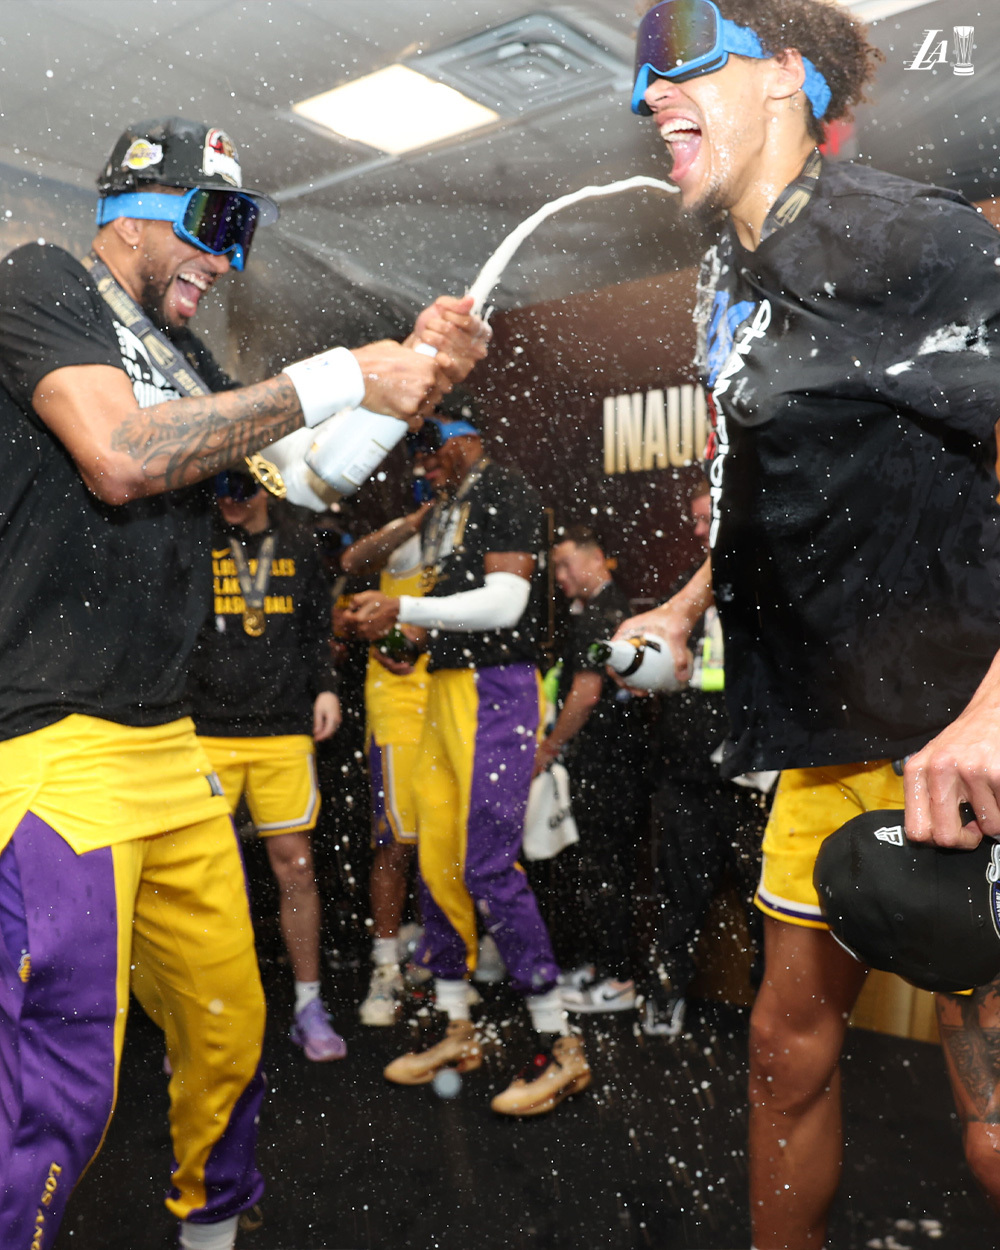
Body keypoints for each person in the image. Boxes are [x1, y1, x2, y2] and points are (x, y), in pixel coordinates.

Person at [0, 115, 487, 1250]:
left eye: (244, 230)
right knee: (65, 1071)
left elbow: (308, 473)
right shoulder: (39, 282)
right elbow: (122, 456)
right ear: (130, 208)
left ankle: (211, 1226)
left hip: (166, 740)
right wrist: (338, 371)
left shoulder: (190, 362)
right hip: (55, 744)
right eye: (212, 223)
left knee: (226, 1022)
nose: (227, 256)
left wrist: (403, 379)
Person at [621, 2, 1000, 1245]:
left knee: (991, 1109)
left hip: (964, 731)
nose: (647, 95)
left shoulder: (916, 239)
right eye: (640, 77)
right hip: (821, 737)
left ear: (784, 74)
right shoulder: (727, 274)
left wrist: (993, 712)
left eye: (682, 66)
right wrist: (685, 605)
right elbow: (761, 486)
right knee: (782, 1054)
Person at [349, 406, 591, 1116]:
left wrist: (408, 615)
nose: (422, 462)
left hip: (496, 693)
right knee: (436, 861)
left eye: (430, 445)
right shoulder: (449, 512)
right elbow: (457, 614)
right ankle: (457, 1025)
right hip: (445, 690)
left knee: (487, 866)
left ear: (470, 436)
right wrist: (401, 636)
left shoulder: (504, 489)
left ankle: (560, 1043)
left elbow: (507, 603)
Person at [188, 470, 345, 1061]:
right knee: (202, 879)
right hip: (206, 729)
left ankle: (308, 1005)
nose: (230, 501)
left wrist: (326, 688)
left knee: (295, 867)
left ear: (266, 488)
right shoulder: (196, 539)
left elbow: (313, 630)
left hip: (282, 727)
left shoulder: (300, 543)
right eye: (221, 490)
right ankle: (202, 1016)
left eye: (242, 489)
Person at [637, 479, 768, 1039]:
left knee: (768, 909)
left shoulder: (771, 590)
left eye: (704, 517)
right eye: (692, 519)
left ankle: (774, 1016)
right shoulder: (681, 595)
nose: (695, 529)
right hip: (688, 777)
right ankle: (664, 997)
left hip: (755, 780)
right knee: (676, 900)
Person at [532, 525, 647, 1013]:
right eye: (555, 567)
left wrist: (550, 747)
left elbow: (586, 693)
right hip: (613, 763)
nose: (559, 576)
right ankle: (603, 966)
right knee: (598, 870)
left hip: (605, 763)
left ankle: (619, 979)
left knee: (604, 870)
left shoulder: (602, 615)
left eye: (565, 564)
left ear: (594, 558)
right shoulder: (608, 611)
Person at [340, 500, 433, 1026]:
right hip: (400, 708)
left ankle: (442, 952)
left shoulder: (476, 532)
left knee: (449, 840)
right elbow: (355, 560)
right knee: (396, 840)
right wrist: (412, 522)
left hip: (455, 697)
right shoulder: (411, 539)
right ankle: (385, 964)